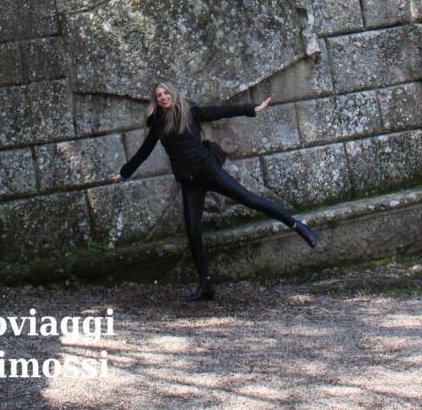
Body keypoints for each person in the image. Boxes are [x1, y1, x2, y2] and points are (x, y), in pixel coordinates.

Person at [108, 79, 320, 301]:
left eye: (165, 93)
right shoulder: (158, 124)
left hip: (208, 171)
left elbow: (218, 111)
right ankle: (206, 286)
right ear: (157, 101)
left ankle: (300, 228)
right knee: (193, 232)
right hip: (189, 181)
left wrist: (251, 109)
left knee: (250, 199)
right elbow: (144, 151)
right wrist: (125, 173)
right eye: (159, 95)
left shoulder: (188, 111)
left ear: (173, 94)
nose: (162, 97)